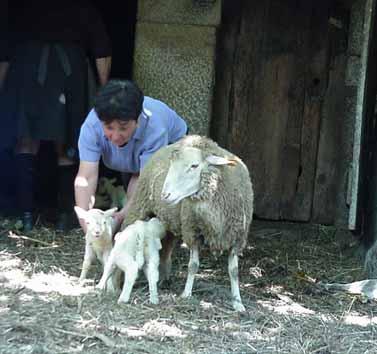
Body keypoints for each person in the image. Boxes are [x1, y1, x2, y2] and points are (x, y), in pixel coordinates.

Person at [2, 0, 112, 231]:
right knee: (67, 143)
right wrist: (104, 90)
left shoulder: (23, 6)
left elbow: (5, 48)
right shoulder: (84, 6)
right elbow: (101, 49)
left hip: (28, 69)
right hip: (70, 71)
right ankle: (64, 217)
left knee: (26, 141)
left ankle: (26, 215)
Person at [74, 79, 188, 233]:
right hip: (128, 158)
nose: (115, 136)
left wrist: (120, 218)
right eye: (109, 127)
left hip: (173, 149)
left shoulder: (155, 129)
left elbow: (143, 179)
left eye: (123, 127)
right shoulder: (91, 126)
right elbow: (86, 177)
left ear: (138, 120)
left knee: (147, 205)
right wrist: (87, 225)